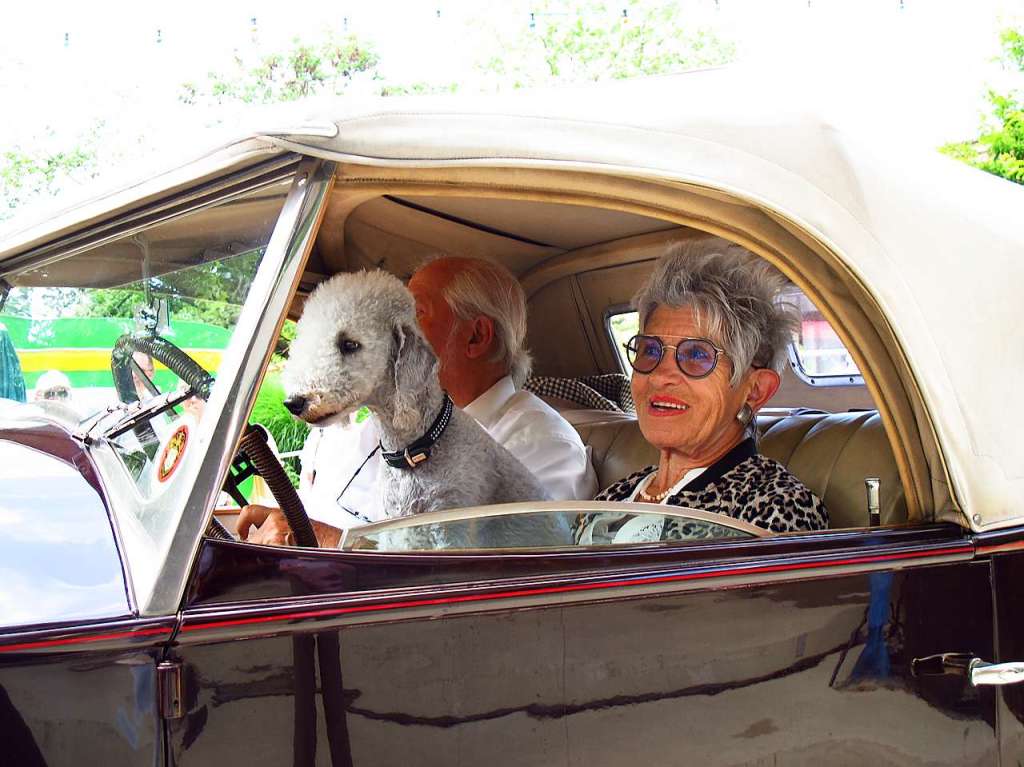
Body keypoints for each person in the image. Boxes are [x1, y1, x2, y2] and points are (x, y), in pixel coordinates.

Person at [241, 256, 598, 544]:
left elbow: (502, 576)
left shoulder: (544, 443)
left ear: (476, 337)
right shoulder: (384, 423)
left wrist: (316, 537)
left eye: (413, 313)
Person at [585, 238, 828, 537]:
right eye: (650, 350)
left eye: (697, 355)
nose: (660, 376)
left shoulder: (773, 506)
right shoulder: (614, 497)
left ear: (755, 391)